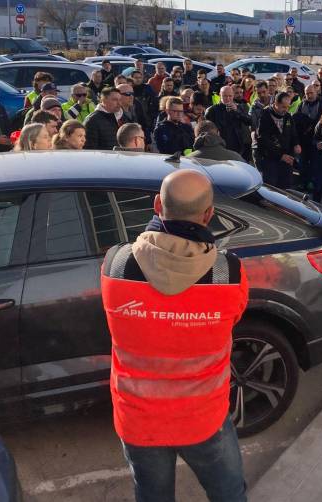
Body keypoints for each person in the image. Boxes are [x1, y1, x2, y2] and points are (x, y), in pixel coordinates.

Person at [100, 169, 248, 502]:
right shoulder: (229, 273)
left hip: (139, 419)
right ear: (208, 214)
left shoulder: (115, 264)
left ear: (156, 205)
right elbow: (233, 318)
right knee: (229, 495)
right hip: (204, 418)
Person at [256, 92, 300, 188]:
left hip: (287, 159)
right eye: (283, 107)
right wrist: (280, 155)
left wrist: (296, 144)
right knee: (271, 188)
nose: (286, 109)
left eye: (288, 106)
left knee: (286, 188)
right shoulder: (264, 115)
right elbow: (263, 139)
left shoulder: (288, 116)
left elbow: (293, 133)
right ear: (276, 103)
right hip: (270, 159)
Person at [205, 85, 252, 162]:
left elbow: (249, 121)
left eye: (230, 96)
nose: (228, 98)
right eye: (225, 96)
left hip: (238, 145)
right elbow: (207, 129)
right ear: (220, 96)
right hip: (220, 146)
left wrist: (237, 111)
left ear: (233, 96)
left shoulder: (239, 107)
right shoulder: (212, 110)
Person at [294, 84, 322, 189]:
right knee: (302, 163)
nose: (309, 95)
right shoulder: (301, 104)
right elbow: (296, 120)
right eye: (307, 93)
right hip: (303, 139)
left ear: (316, 92)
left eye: (311, 93)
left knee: (314, 164)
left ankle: (312, 184)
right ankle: (302, 183)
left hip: (316, 139)